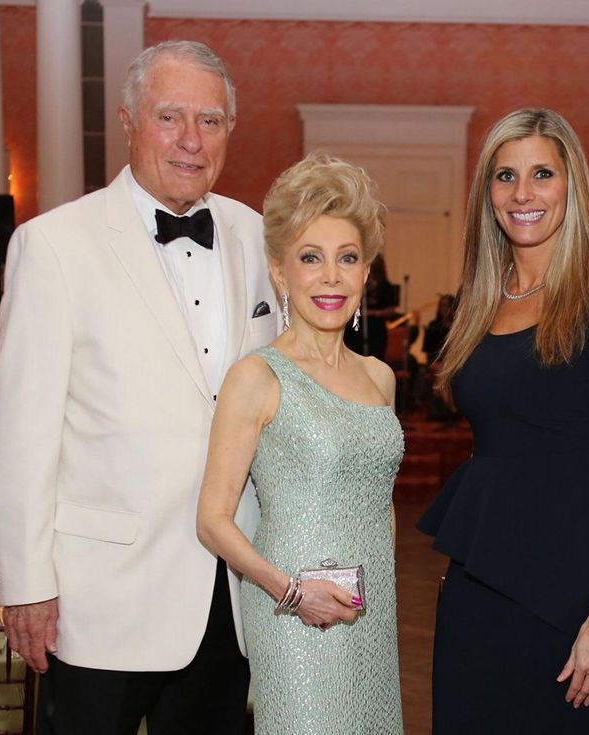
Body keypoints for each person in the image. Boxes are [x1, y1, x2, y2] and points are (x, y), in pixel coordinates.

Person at [0, 40, 277, 734]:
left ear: (230, 130)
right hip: (98, 604)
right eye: (169, 116)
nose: (190, 140)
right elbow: (21, 433)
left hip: (228, 599)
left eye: (210, 121)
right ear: (129, 119)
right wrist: (27, 585)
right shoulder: (54, 245)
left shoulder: (258, 236)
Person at [417, 108, 589, 733]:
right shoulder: (481, 303)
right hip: (478, 583)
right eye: (505, 176)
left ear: (569, 185)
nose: (522, 194)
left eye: (542, 174)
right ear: (486, 192)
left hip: (570, 596)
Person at [196, 152, 404, 734]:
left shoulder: (379, 378)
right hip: (291, 618)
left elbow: (380, 502)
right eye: (310, 258)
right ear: (281, 272)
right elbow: (212, 520)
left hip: (371, 613)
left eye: (348, 258)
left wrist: (379, 596)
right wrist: (291, 594)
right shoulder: (256, 377)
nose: (331, 277)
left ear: (367, 272)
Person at [344, 253, 399, 359]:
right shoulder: (359, 285)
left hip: (376, 329)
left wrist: (372, 313)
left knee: (375, 356)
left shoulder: (386, 287)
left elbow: (391, 310)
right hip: (356, 328)